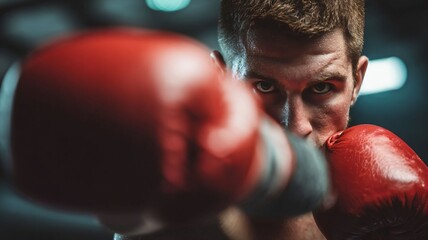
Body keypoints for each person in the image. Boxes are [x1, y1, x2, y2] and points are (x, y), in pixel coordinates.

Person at [209, 0, 368, 239]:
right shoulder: (179, 217)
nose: (296, 127)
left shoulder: (384, 213)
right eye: (264, 86)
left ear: (357, 82)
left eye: (323, 87)